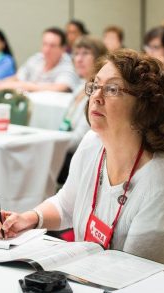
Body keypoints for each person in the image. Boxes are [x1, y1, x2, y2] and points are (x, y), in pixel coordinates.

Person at [0, 49, 164, 278]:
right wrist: (29, 218)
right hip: (92, 280)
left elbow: (136, 277)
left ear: (144, 107)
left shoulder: (160, 183)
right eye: (95, 86)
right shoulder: (92, 144)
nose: (96, 96)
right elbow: (66, 205)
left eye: (112, 89)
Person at [58, 35, 107, 184]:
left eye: (85, 53)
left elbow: (79, 140)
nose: (79, 59)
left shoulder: (97, 93)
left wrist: (52, 143)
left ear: (99, 58)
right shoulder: (80, 88)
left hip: (84, 158)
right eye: (76, 53)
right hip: (67, 151)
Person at [0, 27, 79, 92]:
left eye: (52, 46)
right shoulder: (37, 58)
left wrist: (26, 86)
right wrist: (1, 83)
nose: (47, 50)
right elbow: (18, 77)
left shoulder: (69, 64)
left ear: (63, 49)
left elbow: (61, 87)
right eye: (45, 44)